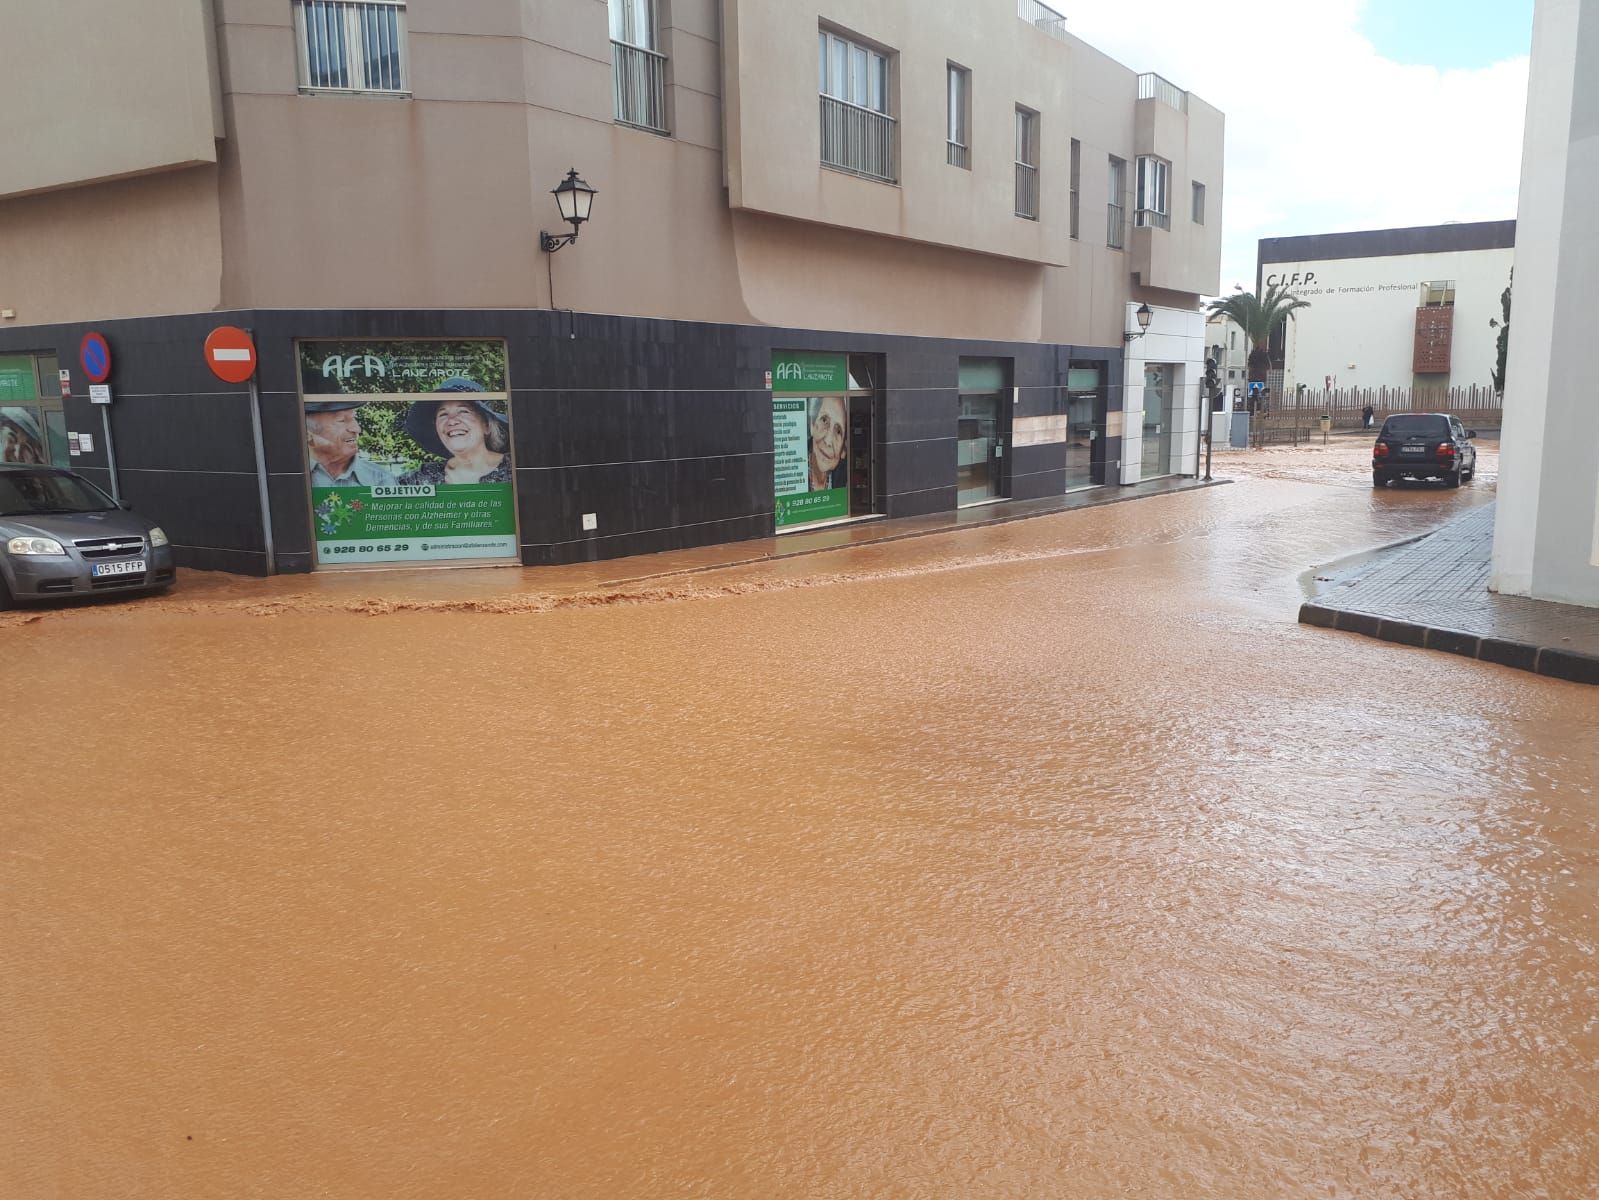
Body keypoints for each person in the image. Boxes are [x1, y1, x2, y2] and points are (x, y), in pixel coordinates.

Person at [400, 378, 512, 485]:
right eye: (443, 414)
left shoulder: (515, 470)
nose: (452, 421)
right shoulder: (421, 479)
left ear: (487, 425)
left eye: (463, 411)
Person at [305, 400, 397, 488]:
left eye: (354, 418)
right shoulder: (294, 478)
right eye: (341, 420)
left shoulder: (381, 479)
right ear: (308, 433)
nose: (356, 429)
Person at [807, 394, 848, 492]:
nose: (828, 441)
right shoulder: (796, 466)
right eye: (824, 420)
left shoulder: (843, 476)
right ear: (812, 425)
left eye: (838, 431)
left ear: (843, 451)